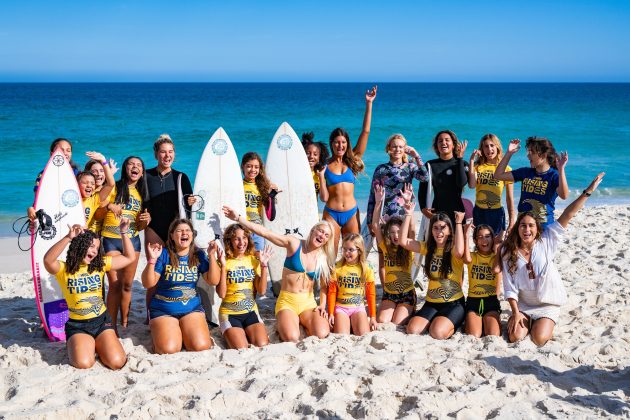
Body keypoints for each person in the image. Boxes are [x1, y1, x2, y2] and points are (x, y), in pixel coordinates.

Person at [501, 173, 604, 347]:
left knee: (539, 339)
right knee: (515, 337)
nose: (527, 229)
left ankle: (540, 323)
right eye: (523, 225)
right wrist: (516, 312)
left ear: (537, 228)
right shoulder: (507, 250)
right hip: (524, 304)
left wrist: (588, 191)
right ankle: (527, 321)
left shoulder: (547, 240)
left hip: (548, 302)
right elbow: (509, 287)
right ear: (517, 228)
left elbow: (568, 214)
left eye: (531, 225)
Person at [222, 205, 335, 342]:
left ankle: (301, 323)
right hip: (287, 302)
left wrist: (322, 304)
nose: (322, 236)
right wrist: (239, 218)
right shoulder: (294, 244)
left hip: (308, 303)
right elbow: (266, 233)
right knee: (291, 337)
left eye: (326, 235)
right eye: (320, 231)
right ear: (313, 230)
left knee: (322, 333)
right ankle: (287, 322)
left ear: (327, 240)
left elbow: (324, 285)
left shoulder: (323, 257)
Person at [43, 218, 134, 369]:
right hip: (77, 326)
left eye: (97, 248)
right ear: (79, 246)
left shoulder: (99, 265)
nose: (94, 251)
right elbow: (48, 260)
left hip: (101, 322)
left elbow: (129, 257)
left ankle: (98, 343)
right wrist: (68, 238)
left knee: (117, 362)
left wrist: (123, 232)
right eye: (91, 246)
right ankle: (80, 344)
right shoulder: (64, 269)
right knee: (84, 363)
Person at [141, 219, 215, 354]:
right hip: (163, 309)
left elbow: (213, 280)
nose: (184, 233)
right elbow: (148, 283)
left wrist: (212, 256)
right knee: (168, 349)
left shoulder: (198, 255)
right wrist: (152, 260)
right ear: (172, 235)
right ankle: (164, 332)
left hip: (191, 308)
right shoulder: (164, 254)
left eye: (187, 231)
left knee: (200, 346)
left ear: (192, 235)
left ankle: (184, 331)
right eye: (179, 231)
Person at [319, 86, 377, 253]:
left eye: (343, 142)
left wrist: (369, 103)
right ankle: (329, 280)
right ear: (331, 144)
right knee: (330, 253)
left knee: (353, 252)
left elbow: (366, 132)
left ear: (347, 144)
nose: (340, 145)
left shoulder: (352, 161)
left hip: (351, 213)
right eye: (337, 142)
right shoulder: (324, 165)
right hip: (331, 213)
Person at [143, 134, 195, 321]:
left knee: (175, 272)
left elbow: (187, 212)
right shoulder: (146, 176)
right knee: (154, 273)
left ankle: (176, 307)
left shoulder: (181, 177)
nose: (167, 156)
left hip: (175, 232)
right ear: (156, 154)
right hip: (154, 229)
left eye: (171, 152)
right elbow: (137, 200)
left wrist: (191, 201)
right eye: (163, 152)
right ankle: (151, 315)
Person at [399, 200, 466, 339]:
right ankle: (437, 321)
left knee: (437, 333)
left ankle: (447, 323)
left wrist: (459, 223)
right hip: (432, 302)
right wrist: (408, 214)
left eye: (443, 227)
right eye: (435, 228)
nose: (439, 232)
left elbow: (460, 251)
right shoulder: (428, 248)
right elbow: (403, 241)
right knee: (412, 329)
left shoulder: (453, 249)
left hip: (453, 303)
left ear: (449, 230)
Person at [101, 156, 151, 329]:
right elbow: (99, 199)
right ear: (125, 168)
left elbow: (140, 225)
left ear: (142, 172)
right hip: (111, 239)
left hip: (132, 241)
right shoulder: (115, 185)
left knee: (127, 285)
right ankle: (111, 325)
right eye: (131, 164)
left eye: (139, 165)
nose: (135, 167)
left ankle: (125, 323)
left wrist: (146, 220)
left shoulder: (142, 193)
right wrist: (110, 206)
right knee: (115, 284)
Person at [209, 223, 272, 349]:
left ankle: (243, 332)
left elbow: (262, 290)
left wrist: (264, 266)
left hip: (251, 312)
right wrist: (224, 267)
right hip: (229, 313)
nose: (241, 242)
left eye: (244, 238)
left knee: (262, 344)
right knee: (240, 348)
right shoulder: (223, 261)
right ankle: (230, 332)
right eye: (237, 238)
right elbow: (221, 294)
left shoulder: (253, 260)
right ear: (229, 241)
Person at [493, 137, 569, 229]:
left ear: (543, 155)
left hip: (543, 228)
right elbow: (498, 175)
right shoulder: (525, 172)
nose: (528, 156)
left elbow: (564, 195)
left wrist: (561, 169)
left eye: (531, 152)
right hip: (523, 227)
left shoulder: (553, 176)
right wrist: (509, 153)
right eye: (528, 152)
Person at [370, 184, 416, 325]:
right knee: (382, 320)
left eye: (399, 232)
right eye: (392, 233)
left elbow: (412, 229)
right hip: (389, 294)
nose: (396, 235)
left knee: (397, 322)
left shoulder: (408, 246)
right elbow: (376, 226)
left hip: (406, 293)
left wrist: (408, 205)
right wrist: (378, 203)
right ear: (388, 235)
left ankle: (411, 307)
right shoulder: (385, 247)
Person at [327, 234, 378, 336]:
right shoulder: (336, 267)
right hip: (341, 308)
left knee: (363, 335)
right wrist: (331, 313)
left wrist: (373, 317)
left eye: (351, 249)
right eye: (344, 249)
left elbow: (370, 294)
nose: (346, 253)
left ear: (359, 250)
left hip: (358, 308)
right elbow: (332, 292)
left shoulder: (367, 268)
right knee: (342, 336)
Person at [418, 130, 469, 226]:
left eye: (447, 140)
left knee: (458, 241)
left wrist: (460, 159)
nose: (443, 143)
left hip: (457, 213)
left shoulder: (462, 164)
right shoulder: (430, 165)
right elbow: (422, 190)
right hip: (437, 212)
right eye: (440, 141)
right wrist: (424, 209)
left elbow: (461, 183)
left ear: (453, 144)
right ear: (436, 146)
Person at [460, 223, 502, 337]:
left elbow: (498, 272)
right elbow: (467, 259)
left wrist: (498, 248)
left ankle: (484, 322)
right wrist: (466, 234)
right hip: (474, 301)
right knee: (474, 334)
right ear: (475, 241)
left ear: (492, 238)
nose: (484, 240)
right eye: (480, 237)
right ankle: (472, 322)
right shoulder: (472, 256)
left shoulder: (496, 257)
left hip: (491, 300)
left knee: (493, 334)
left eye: (488, 236)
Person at [468, 133, 515, 233]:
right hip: (479, 211)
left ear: (497, 147)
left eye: (492, 145)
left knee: (497, 245)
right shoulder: (477, 167)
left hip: (496, 212)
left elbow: (509, 198)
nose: (489, 149)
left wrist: (511, 222)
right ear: (482, 149)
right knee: (481, 243)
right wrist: (472, 161)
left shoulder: (506, 169)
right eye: (486, 146)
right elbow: (472, 185)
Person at [27, 138, 80, 223]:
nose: (65, 153)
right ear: (52, 153)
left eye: (68, 150)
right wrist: (31, 209)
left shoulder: (77, 173)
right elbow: (39, 198)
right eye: (61, 150)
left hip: (71, 217)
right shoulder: (43, 175)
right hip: (52, 217)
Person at [241, 152, 279, 252]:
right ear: (243, 167)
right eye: (249, 166)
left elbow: (270, 216)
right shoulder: (238, 186)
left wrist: (271, 196)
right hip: (241, 230)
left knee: (259, 260)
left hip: (257, 231)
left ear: (260, 169)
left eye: (256, 167)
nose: (253, 170)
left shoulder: (263, 187)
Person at [79, 152, 115, 232]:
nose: (98, 174)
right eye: (95, 171)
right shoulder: (79, 195)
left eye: (102, 171)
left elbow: (110, 184)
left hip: (97, 234)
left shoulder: (95, 198)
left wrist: (104, 162)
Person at [301, 132, 330, 198]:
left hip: (313, 208)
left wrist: (321, 176)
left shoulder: (318, 175)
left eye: (315, 154)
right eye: (308, 153)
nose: (311, 156)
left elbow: (324, 198)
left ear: (319, 158)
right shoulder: (297, 173)